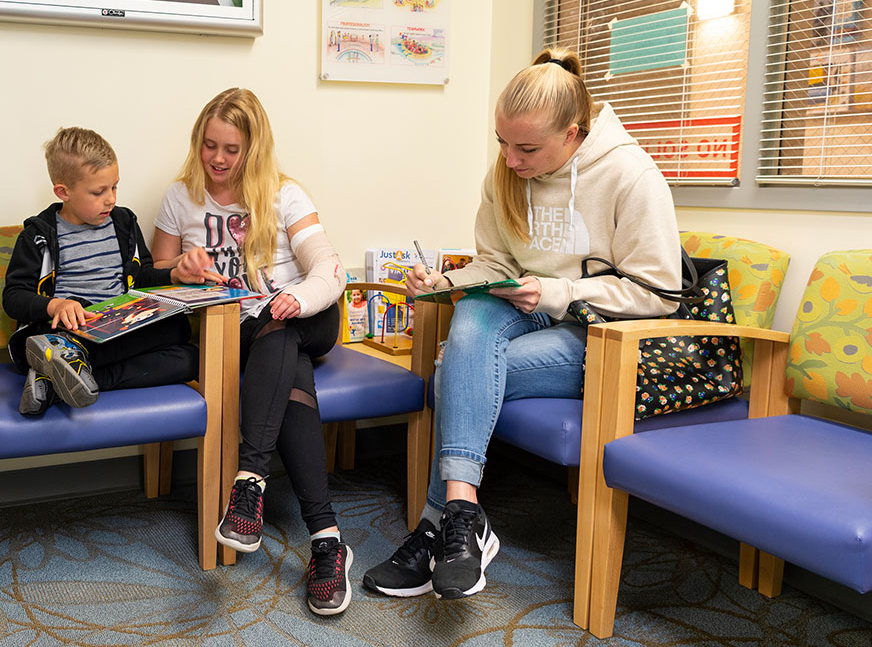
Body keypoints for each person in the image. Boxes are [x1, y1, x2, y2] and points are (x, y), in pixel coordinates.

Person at [362, 48, 682, 600]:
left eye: (526, 148)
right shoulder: (508, 173)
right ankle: (465, 514)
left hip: (597, 335)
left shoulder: (631, 175)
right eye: (501, 143)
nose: (510, 160)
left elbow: (660, 294)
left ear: (573, 134)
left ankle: (437, 526)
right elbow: (497, 265)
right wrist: (444, 284)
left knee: (456, 375)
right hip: (522, 309)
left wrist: (557, 291)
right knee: (471, 315)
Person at [151, 88, 351, 616]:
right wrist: (180, 272)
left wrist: (295, 297)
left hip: (309, 315)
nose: (217, 159)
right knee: (281, 352)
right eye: (209, 145)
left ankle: (249, 483)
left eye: (231, 149)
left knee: (282, 326)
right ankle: (327, 540)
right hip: (239, 332)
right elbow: (152, 280)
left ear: (253, 150)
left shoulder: (286, 196)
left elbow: (329, 270)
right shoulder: (180, 198)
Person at [2, 127, 202, 415]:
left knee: (186, 348)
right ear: (63, 192)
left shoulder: (123, 223)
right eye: (99, 192)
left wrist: (173, 275)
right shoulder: (39, 235)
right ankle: (63, 357)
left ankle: (57, 379)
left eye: (114, 187)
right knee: (57, 336)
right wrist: (55, 305)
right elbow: (13, 296)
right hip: (70, 329)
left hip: (118, 327)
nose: (111, 199)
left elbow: (141, 277)